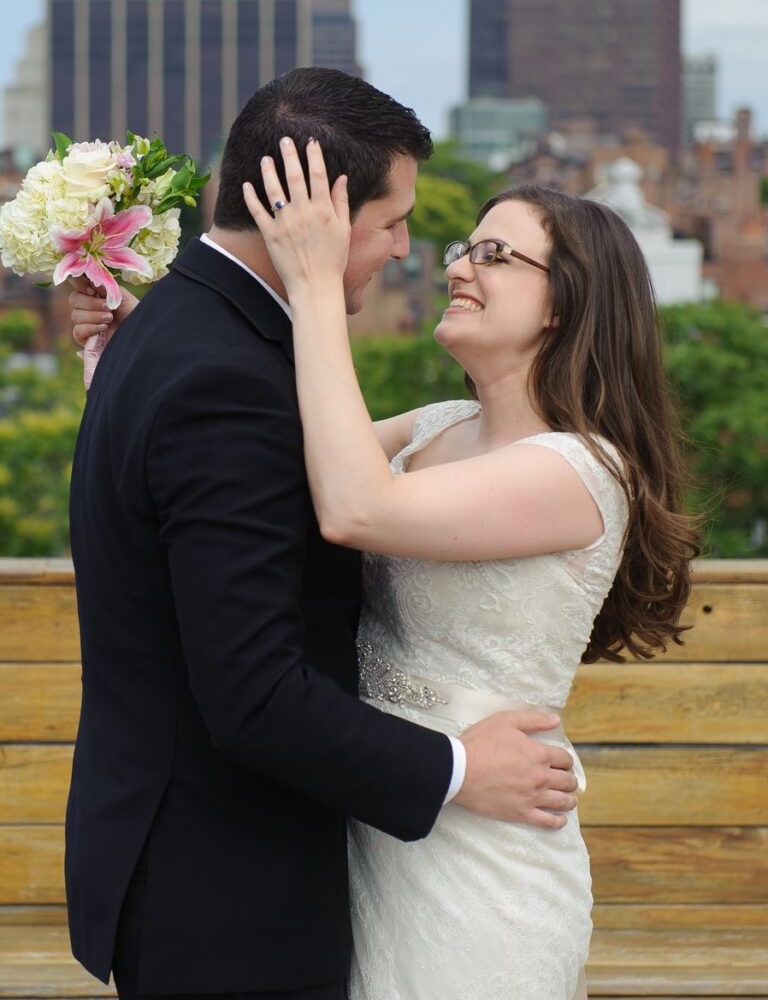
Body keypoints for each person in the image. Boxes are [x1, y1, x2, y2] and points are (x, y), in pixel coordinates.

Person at [66, 68, 580, 1000]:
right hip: (230, 895)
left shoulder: (180, 331)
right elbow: (256, 697)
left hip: (226, 870)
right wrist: (463, 767)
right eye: (392, 223)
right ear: (318, 215)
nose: (406, 250)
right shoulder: (226, 381)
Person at [233, 138, 697, 999]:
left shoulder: (582, 471)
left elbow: (354, 508)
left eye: (494, 255)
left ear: (565, 303)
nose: (456, 267)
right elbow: (252, 471)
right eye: (461, 249)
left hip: (486, 865)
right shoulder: (435, 426)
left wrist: (312, 288)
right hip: (381, 817)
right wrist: (128, 356)